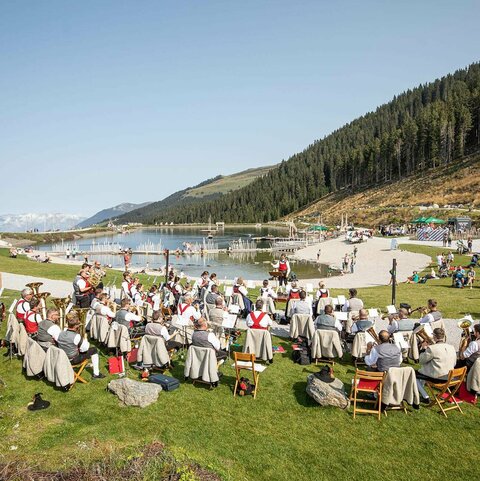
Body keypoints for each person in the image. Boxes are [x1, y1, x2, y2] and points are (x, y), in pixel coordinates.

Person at [57, 312, 105, 379]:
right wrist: (85, 339)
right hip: (72, 360)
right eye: (78, 325)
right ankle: (96, 374)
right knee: (94, 350)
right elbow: (85, 349)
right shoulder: (76, 336)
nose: (79, 326)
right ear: (75, 326)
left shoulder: (61, 333)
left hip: (62, 357)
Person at [415, 328, 456, 403]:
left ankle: (425, 396)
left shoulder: (432, 348)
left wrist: (424, 349)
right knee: (422, 372)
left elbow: (421, 361)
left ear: (434, 336)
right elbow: (454, 362)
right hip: (449, 376)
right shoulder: (452, 347)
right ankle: (419, 392)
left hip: (438, 377)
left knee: (414, 374)